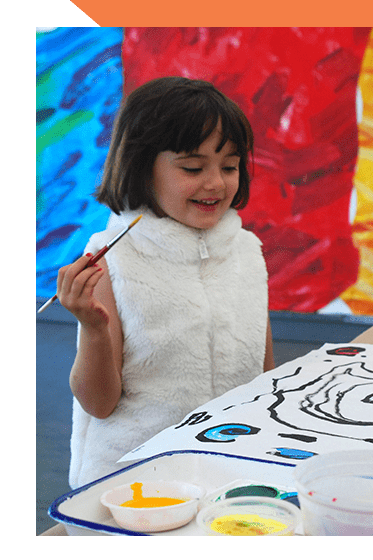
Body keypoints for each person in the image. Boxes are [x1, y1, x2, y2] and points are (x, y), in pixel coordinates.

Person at [55, 77, 274, 488]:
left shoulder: (247, 250)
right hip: (134, 486)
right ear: (141, 166)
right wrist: (93, 327)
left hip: (230, 476)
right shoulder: (112, 257)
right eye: (193, 167)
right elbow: (98, 404)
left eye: (229, 166)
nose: (216, 183)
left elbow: (263, 379)